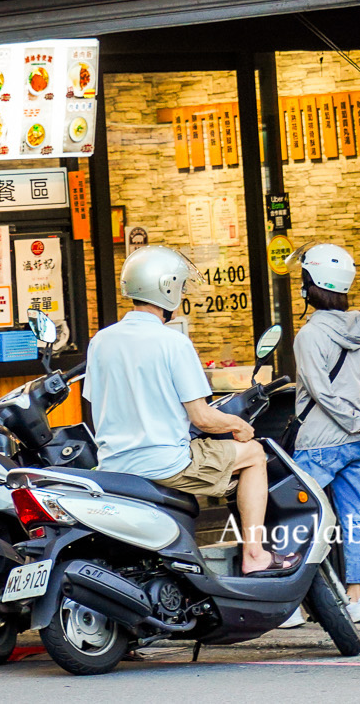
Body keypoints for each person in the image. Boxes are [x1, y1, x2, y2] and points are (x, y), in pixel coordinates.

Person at [84, 246, 282, 575]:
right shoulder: (173, 342)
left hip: (113, 465)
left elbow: (97, 401)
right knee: (254, 454)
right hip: (166, 463)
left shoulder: (101, 341)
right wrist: (238, 426)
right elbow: (202, 418)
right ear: (167, 287)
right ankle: (255, 554)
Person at [289, 243, 360, 626]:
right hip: (353, 447)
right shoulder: (359, 332)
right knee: (354, 520)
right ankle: (356, 600)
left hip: (317, 444)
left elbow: (318, 391)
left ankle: (294, 605)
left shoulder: (309, 336)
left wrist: (352, 421)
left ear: (310, 286)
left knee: (297, 520)